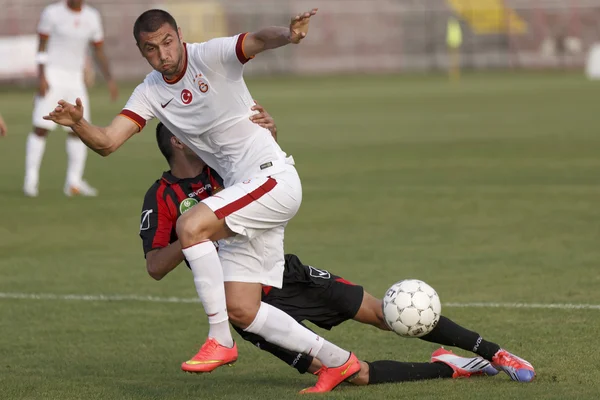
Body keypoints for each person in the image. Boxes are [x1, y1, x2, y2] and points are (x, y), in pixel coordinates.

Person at [43, 8, 364, 393]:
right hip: (245, 192)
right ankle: (338, 362)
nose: (163, 54)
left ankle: (221, 340)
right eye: (151, 49)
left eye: (167, 42)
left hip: (271, 177)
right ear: (141, 51)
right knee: (243, 308)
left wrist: (290, 35)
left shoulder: (209, 55)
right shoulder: (148, 91)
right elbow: (108, 142)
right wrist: (78, 123)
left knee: (190, 225)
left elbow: (257, 40)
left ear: (179, 35)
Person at [139, 113, 536, 386]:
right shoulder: (161, 197)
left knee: (385, 313)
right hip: (246, 309)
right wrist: (193, 236)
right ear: (177, 138)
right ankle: (450, 368)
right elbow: (155, 266)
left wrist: (270, 135)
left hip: (284, 275)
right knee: (354, 375)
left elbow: (267, 168)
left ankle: (497, 353)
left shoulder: (223, 167)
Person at [25, 0, 118, 197]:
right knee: (41, 128)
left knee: (79, 129)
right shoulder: (52, 13)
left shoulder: (92, 16)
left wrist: (109, 79)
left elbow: (98, 50)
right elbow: (41, 47)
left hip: (76, 81)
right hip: (52, 77)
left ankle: (73, 183)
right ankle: (31, 180)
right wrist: (41, 77)